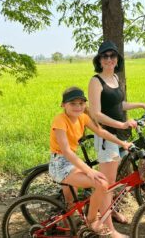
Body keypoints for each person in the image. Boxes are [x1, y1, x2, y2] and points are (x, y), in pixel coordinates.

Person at [88, 41, 145, 238]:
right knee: (106, 185)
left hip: (121, 138)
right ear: (99, 60)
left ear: (117, 59)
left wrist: (142, 105)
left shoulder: (116, 78)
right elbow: (96, 114)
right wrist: (122, 125)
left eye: (113, 56)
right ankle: (109, 230)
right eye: (105, 56)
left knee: (115, 181)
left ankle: (110, 212)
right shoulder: (96, 81)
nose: (109, 59)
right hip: (107, 138)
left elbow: (120, 104)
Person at [48, 86, 132, 235]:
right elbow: (66, 151)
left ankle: (69, 230)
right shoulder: (59, 120)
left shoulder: (83, 118)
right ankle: (92, 221)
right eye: (72, 103)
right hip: (60, 163)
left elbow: (101, 132)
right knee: (101, 183)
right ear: (63, 105)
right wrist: (89, 170)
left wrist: (123, 143)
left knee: (71, 203)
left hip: (72, 161)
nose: (77, 107)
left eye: (81, 103)